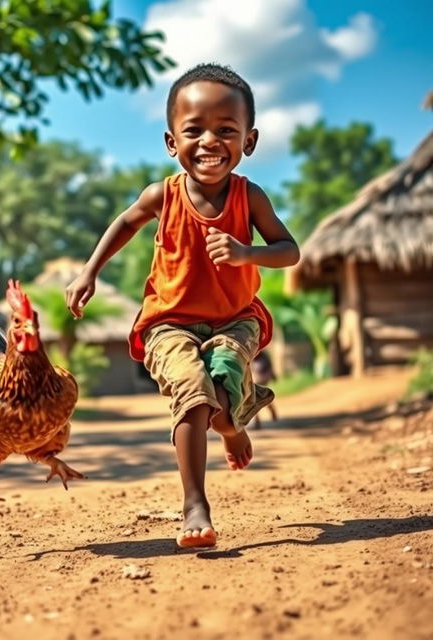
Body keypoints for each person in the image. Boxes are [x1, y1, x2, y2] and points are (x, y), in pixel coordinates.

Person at [66, 63, 300, 548]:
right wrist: (90, 270)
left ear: (249, 142)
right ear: (172, 142)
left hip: (235, 321)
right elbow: (125, 224)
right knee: (195, 395)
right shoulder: (162, 194)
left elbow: (289, 250)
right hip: (168, 323)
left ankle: (234, 424)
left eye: (226, 130)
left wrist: (247, 252)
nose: (210, 141)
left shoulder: (249, 196)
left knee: (222, 396)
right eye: (194, 130)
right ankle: (195, 503)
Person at [250, 350, 278, 429]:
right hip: (255, 380)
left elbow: (270, 366)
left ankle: (272, 410)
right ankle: (257, 421)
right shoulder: (250, 355)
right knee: (254, 401)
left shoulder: (264, 356)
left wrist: (272, 375)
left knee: (265, 398)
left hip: (264, 379)